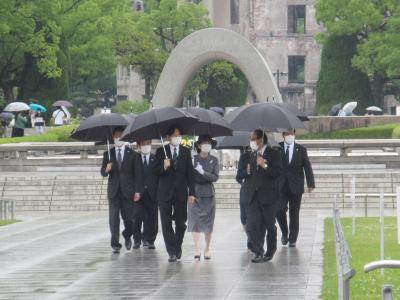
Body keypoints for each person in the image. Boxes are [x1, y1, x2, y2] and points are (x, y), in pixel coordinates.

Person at [153, 124, 195, 262]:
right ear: (169, 136)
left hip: (181, 193)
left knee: (181, 223)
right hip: (164, 193)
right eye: (174, 135)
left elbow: (190, 174)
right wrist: (164, 167)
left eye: (179, 135)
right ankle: (171, 251)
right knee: (166, 223)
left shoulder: (185, 151)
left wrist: (192, 193)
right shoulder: (161, 151)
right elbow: (155, 171)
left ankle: (177, 245)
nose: (177, 137)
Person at [100, 127, 143, 254]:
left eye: (121, 135)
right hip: (113, 192)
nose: (119, 138)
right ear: (113, 138)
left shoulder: (133, 154)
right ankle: (115, 244)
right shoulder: (108, 153)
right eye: (116, 136)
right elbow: (103, 173)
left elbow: (138, 175)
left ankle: (127, 235)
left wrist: (138, 191)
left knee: (129, 219)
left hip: (128, 191)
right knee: (113, 219)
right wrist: (106, 169)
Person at [246, 129, 283, 263]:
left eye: (253, 138)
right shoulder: (253, 154)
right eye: (251, 139)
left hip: (269, 196)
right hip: (255, 196)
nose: (252, 141)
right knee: (252, 225)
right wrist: (249, 170)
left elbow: (277, 172)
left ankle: (270, 251)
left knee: (269, 225)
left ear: (261, 140)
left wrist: (264, 165)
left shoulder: (274, 153)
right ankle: (258, 251)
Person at [276, 129, 315, 248]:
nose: (290, 136)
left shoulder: (301, 149)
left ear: (294, 134)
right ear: (283, 135)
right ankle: (284, 232)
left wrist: (310, 183)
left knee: (294, 213)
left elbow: (307, 167)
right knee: (279, 210)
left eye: (291, 134)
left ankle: (292, 239)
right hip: (281, 186)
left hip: (296, 186)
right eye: (287, 134)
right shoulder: (277, 148)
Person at [188, 135, 219, 261]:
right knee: (195, 222)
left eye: (209, 143)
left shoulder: (214, 160)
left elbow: (215, 177)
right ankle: (197, 249)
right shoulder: (192, 159)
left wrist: (202, 172)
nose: (207, 145)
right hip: (194, 193)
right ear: (199, 146)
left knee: (208, 223)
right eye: (204, 143)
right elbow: (188, 176)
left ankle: (207, 248)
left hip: (208, 194)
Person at [134, 139, 159, 250]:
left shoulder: (156, 158)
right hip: (138, 193)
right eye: (143, 144)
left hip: (152, 192)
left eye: (147, 143)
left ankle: (150, 240)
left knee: (152, 218)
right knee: (137, 217)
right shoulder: (135, 158)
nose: (145, 146)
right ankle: (137, 240)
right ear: (138, 145)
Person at [236, 146, 253, 251]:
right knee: (244, 218)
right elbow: (238, 177)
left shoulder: (267, 155)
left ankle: (253, 240)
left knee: (256, 218)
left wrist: (263, 165)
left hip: (260, 192)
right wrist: (247, 172)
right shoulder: (245, 157)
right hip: (246, 192)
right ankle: (250, 237)